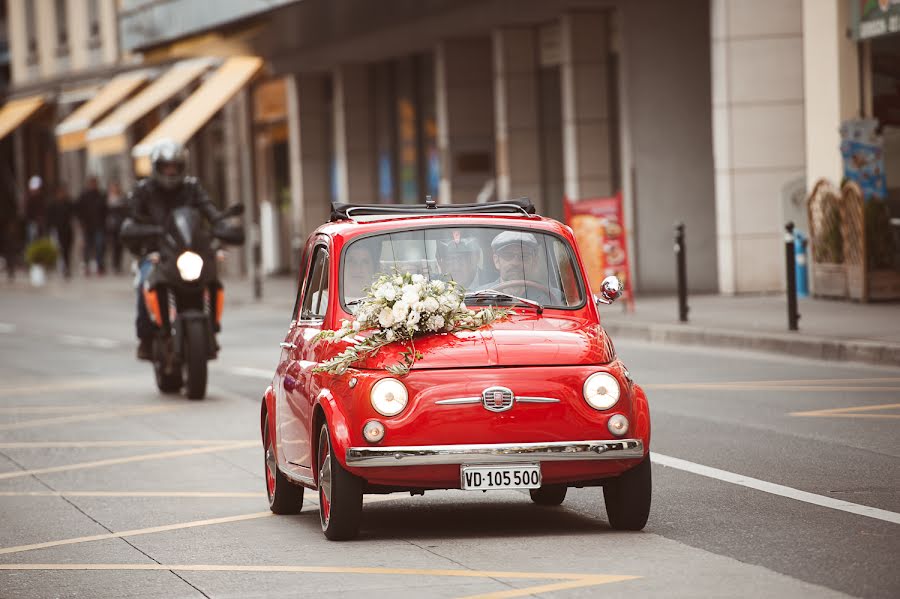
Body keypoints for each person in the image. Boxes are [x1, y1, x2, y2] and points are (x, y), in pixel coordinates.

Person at [121, 139, 225, 360]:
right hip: (156, 251)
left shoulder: (191, 188)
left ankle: (213, 329)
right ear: (156, 168)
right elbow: (131, 219)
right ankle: (146, 338)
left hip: (188, 250)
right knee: (144, 283)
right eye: (166, 167)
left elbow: (209, 209)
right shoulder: (143, 191)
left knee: (213, 277)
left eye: (174, 167)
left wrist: (221, 225)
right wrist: (138, 232)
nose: (170, 172)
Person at [480, 230, 561, 303]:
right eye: (508, 255)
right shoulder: (480, 296)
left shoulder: (553, 297)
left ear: (534, 261)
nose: (515, 262)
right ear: (497, 261)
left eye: (523, 256)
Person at [76, 176, 107, 275]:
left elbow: (105, 211)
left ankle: (100, 265)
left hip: (99, 226)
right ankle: (86, 266)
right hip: (87, 226)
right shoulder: (84, 196)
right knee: (87, 247)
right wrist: (82, 224)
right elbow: (79, 212)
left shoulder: (101, 195)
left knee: (99, 246)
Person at [46, 183, 75, 278]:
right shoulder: (53, 204)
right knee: (61, 249)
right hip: (59, 230)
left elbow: (74, 213)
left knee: (67, 249)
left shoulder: (68, 203)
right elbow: (49, 218)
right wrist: (50, 228)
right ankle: (63, 267)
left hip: (68, 229)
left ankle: (67, 266)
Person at [105, 180, 127, 274]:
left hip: (120, 226)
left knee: (119, 246)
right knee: (113, 246)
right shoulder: (107, 199)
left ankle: (118, 264)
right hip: (111, 227)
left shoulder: (123, 199)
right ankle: (114, 264)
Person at [24, 175, 46, 244]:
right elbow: (27, 212)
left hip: (40, 222)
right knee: (32, 239)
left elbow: (43, 210)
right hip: (32, 222)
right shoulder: (29, 200)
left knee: (40, 239)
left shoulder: (41, 198)